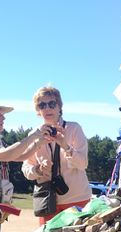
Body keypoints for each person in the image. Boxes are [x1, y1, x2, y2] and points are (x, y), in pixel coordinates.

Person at [22, 85, 91, 224]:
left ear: (59, 107)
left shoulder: (74, 128)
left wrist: (65, 145)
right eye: (42, 105)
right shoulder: (34, 135)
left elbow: (83, 164)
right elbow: (26, 168)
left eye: (52, 103)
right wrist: (38, 170)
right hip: (47, 200)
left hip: (76, 199)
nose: (47, 108)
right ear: (38, 111)